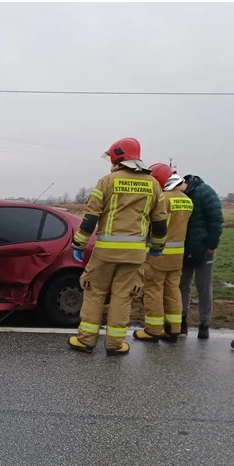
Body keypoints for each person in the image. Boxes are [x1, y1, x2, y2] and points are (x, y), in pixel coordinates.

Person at [68, 137, 167, 356]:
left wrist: (78, 243)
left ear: (117, 157)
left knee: (95, 293)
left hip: (105, 252)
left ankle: (85, 340)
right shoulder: (153, 185)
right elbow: (160, 222)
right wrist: (157, 247)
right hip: (135, 255)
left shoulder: (107, 181)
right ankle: (114, 344)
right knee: (123, 297)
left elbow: (90, 218)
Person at [134, 163, 194, 344]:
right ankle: (174, 329)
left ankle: (153, 330)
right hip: (178, 256)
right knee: (173, 290)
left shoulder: (162, 199)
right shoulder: (187, 200)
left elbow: (153, 226)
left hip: (158, 253)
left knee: (153, 290)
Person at [179, 173, 224, 339]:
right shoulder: (180, 194)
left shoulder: (206, 193)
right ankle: (181, 322)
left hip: (204, 250)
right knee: (182, 285)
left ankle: (204, 324)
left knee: (203, 287)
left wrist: (212, 246)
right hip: (184, 249)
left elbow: (216, 221)